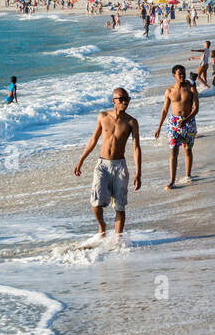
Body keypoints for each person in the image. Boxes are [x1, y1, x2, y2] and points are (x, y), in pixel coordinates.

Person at [74, 87, 142, 237]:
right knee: (96, 202)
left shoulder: (131, 122)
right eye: (121, 99)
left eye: (127, 99)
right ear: (113, 101)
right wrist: (81, 161)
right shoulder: (103, 117)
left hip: (120, 166)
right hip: (102, 165)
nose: (125, 102)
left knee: (120, 206)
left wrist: (138, 173)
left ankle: (118, 239)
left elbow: (136, 147)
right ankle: (102, 225)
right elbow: (93, 140)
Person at [155, 64, 201, 187]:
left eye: (183, 73)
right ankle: (172, 181)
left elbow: (196, 108)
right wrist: (159, 126)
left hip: (189, 121)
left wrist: (187, 119)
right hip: (173, 123)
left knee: (187, 149)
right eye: (179, 74)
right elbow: (164, 110)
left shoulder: (191, 89)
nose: (182, 76)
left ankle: (188, 175)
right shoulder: (169, 91)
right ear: (173, 76)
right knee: (173, 151)